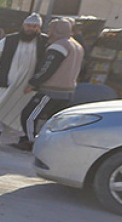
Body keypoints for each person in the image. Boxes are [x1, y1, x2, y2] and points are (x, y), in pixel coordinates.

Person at [13, 17, 84, 151]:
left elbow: (48, 67)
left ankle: (30, 142)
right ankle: (50, 144)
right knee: (54, 120)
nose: (49, 31)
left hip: (51, 91)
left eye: (51, 28)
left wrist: (33, 83)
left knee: (29, 115)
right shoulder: (76, 45)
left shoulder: (59, 45)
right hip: (67, 91)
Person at [0, 13, 47, 147]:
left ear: (39, 28)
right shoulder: (10, 39)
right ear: (23, 25)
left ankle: (22, 140)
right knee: (0, 108)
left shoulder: (44, 42)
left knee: (22, 112)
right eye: (28, 25)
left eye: (34, 26)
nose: (30, 29)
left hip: (28, 86)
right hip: (7, 83)